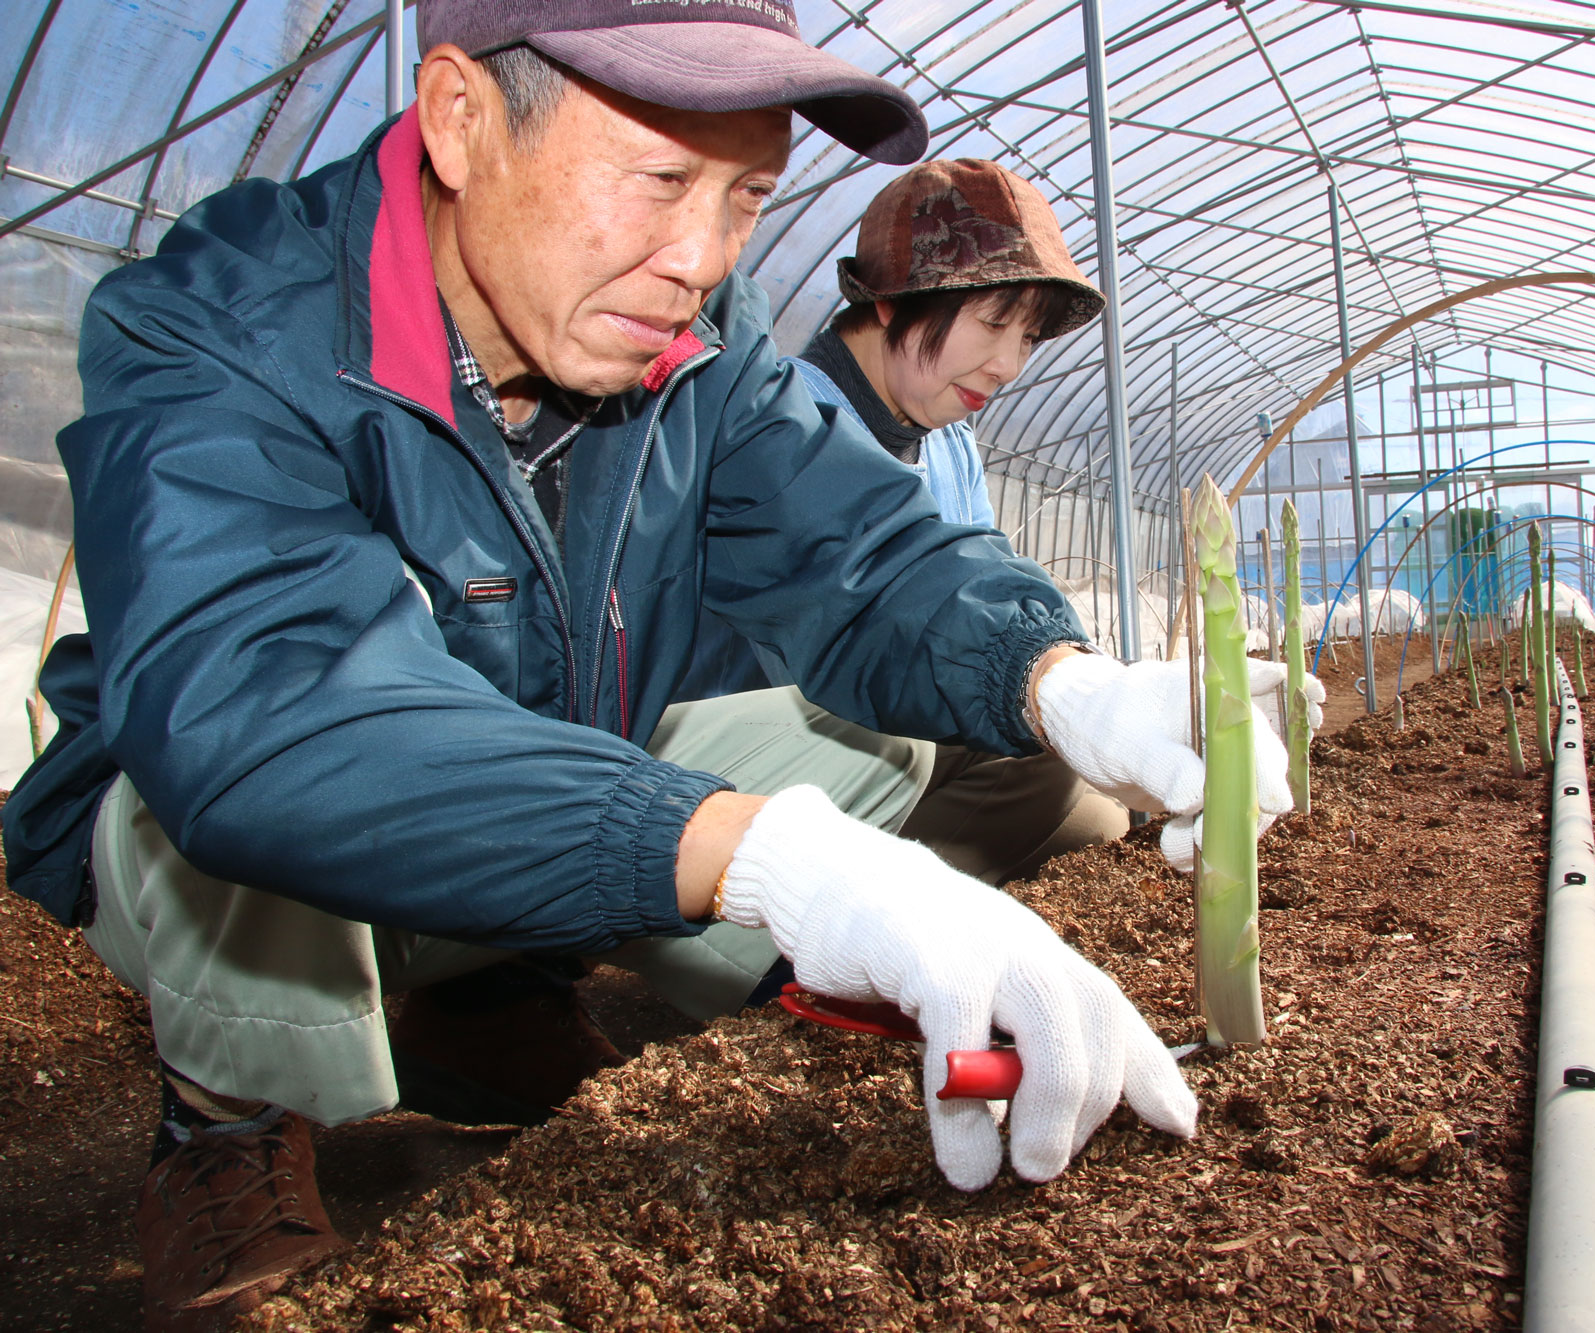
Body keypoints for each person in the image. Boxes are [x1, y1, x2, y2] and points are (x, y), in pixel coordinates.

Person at [0, 3, 1306, 1327]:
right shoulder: (224, 322)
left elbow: (864, 543)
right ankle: (226, 1128)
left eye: (746, 196)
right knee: (286, 771)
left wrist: (1066, 684)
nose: (700, 257)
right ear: (459, 120)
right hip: (214, 809)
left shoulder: (696, 341)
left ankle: (492, 995)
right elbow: (266, 705)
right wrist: (784, 864)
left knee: (850, 753)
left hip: (534, 778)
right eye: (660, 177)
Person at [678, 157, 1128, 887]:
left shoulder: (949, 437)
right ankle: (810, 921)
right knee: (1031, 785)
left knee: (1093, 813)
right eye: (992, 322)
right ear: (890, 301)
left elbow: (981, 578)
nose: (1008, 364)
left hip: (889, 737)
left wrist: (1083, 685)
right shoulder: (785, 415)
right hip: (774, 746)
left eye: (1029, 339)